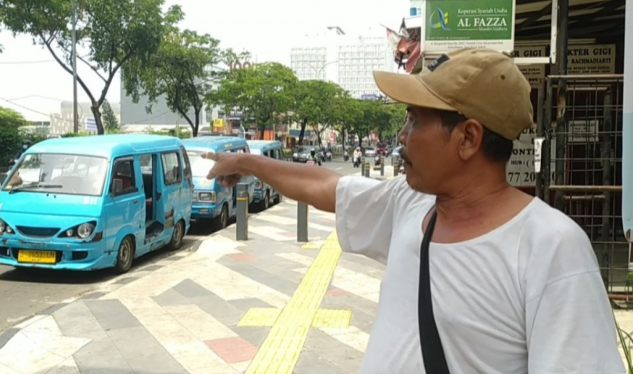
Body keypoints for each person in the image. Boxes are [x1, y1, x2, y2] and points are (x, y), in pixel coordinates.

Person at [202, 48, 623, 373]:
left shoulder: (552, 248)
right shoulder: (411, 203)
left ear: (468, 138)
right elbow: (327, 185)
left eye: (414, 120)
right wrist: (248, 163)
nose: (402, 135)